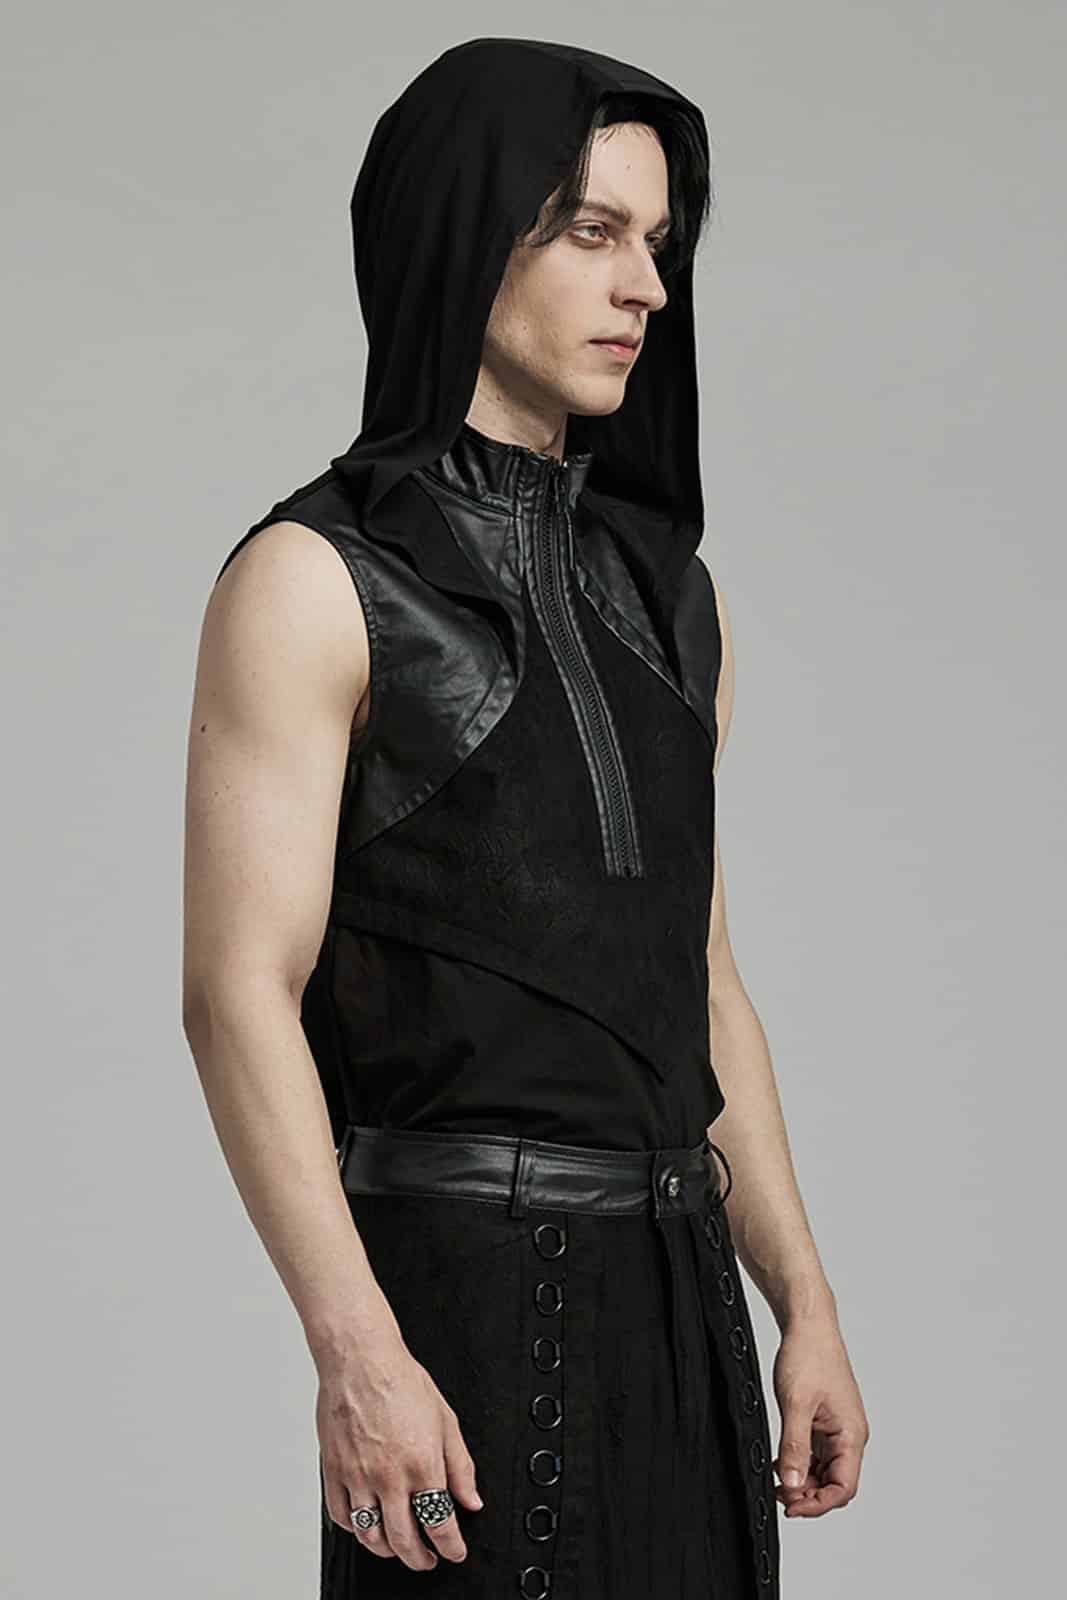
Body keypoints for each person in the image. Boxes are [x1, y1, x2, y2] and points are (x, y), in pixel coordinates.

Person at [182, 36, 868, 1600]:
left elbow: (697, 984)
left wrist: (804, 1302)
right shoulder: (316, 582)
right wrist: (356, 1351)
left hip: (682, 1311)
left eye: (660, 243)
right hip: (461, 1310)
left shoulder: (674, 601)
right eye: (593, 231)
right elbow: (235, 994)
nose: (646, 288)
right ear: (464, 237)